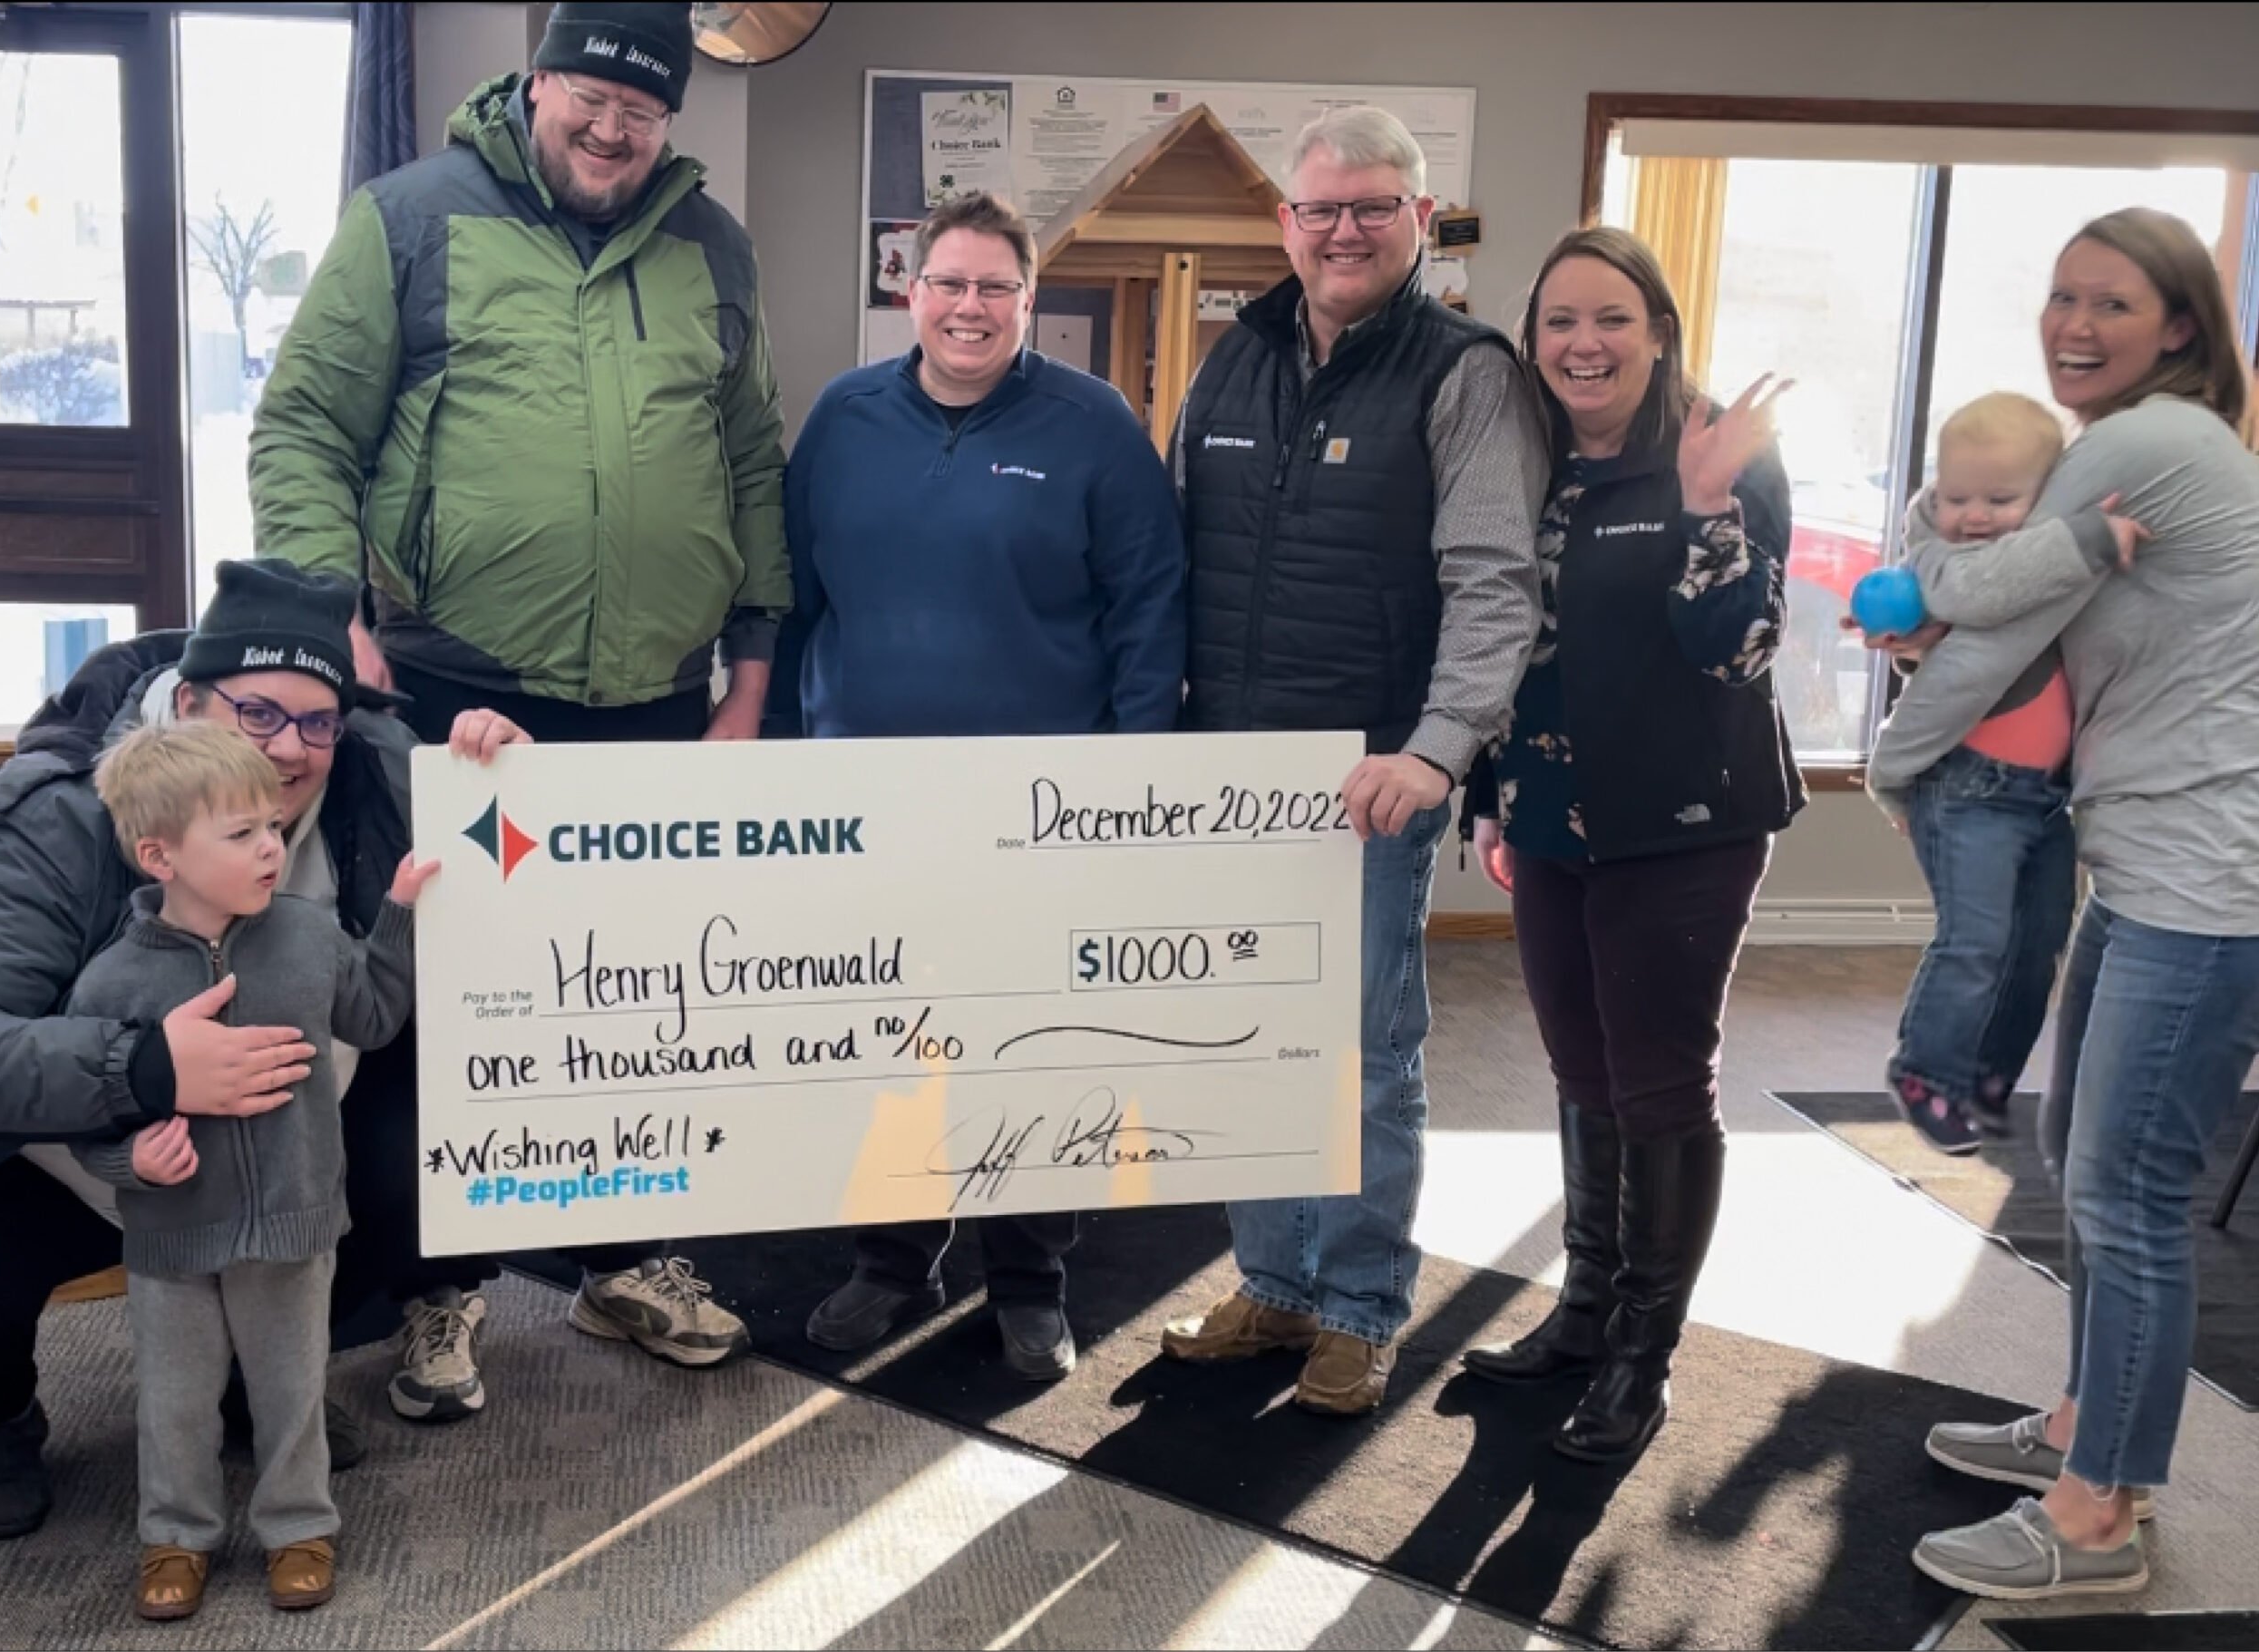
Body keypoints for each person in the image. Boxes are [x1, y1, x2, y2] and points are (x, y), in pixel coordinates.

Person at [249, 0, 784, 1369]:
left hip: (662, 697)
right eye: (590, 96)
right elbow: (304, 422)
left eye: (644, 106)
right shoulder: (411, 216)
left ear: (672, 116)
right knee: (454, 1004)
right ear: (537, 82)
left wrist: (753, 667)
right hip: (450, 694)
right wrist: (331, 622)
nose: (613, 126)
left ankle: (624, 1257)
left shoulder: (710, 243)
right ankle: (445, 1282)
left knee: (637, 1001)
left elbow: (751, 460)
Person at [0, 559, 526, 1542]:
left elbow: (514, 877)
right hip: (84, 1155)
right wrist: (147, 1068)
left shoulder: (375, 764)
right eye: (256, 713)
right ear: (189, 703)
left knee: (426, 1160)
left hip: (287, 1145)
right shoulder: (54, 811)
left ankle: (261, 1379)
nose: (290, 751)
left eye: (315, 720)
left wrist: (512, 772)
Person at [1158, 106, 1548, 1415]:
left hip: (1369, 784)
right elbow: (1176, 552)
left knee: (1366, 1046)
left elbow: (1496, 584)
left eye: (1374, 206)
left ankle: (1362, 1304)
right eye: (1321, 207)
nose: (1344, 229)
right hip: (1223, 776)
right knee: (1249, 1039)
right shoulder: (1234, 358)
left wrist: (1439, 753)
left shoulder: (1465, 372)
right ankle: (1272, 1279)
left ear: (1420, 223)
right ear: (1285, 223)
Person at [1899, 209, 2259, 1599]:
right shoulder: (2146, 442)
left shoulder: (2145, 443)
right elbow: (2004, 607)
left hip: (2206, 878)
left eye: (2111, 303)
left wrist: (1927, 613)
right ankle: (2078, 1428)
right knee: (2084, 1157)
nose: (2073, 324)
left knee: (2128, 1191)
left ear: (2179, 327)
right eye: (2059, 297)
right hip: (2157, 856)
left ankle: (2100, 1513)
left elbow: (1988, 595)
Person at [769, 191, 1187, 1380]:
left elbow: (1151, 613)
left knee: (1029, 1048)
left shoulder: (1094, 426)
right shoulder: (845, 418)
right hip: (872, 810)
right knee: (892, 1044)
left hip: (1038, 814)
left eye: (994, 287)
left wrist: (1132, 791)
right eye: (949, 283)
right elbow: (795, 604)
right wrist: (792, 769)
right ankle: (894, 1257)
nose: (970, 306)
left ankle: (1032, 1278)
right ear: (912, 290)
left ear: (1027, 296)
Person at [1450, 227, 1802, 1463]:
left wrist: (1708, 504)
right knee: (1581, 1071)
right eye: (1559, 322)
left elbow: (1738, 653)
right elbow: (1503, 636)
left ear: (1658, 327)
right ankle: (1587, 1315)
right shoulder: (1531, 460)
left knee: (1659, 1084)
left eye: (1611, 318)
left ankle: (1644, 1361)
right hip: (1550, 818)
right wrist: (1489, 793)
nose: (1583, 344)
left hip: (1685, 827)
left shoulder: (1719, 455)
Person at [67, 724, 433, 1620]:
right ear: (161, 856)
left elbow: (376, 1014)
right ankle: (176, 1536)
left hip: (296, 1223)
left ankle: (299, 1526)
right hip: (171, 1238)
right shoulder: (111, 983)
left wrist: (398, 915)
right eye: (241, 833)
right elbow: (86, 1121)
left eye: (273, 825)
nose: (272, 846)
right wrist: (130, 1159)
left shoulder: (311, 935)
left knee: (291, 1390)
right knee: (177, 1403)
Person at [1865, 394, 2139, 1154]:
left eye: (1999, 499)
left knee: (2038, 943)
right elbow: (1973, 590)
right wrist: (2085, 536)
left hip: (2044, 797)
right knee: (1976, 941)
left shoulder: (2050, 565)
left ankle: (1985, 1075)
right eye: (1956, 497)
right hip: (1965, 788)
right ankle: (1926, 1071)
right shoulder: (1948, 559)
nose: (1974, 516)